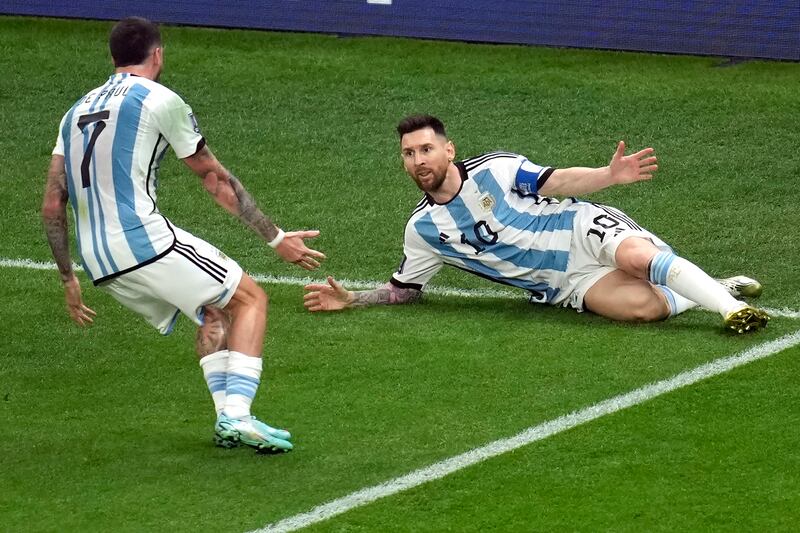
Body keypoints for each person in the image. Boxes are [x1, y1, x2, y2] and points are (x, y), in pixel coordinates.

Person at [42, 17, 324, 453]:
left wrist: (67, 277)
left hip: (97, 259)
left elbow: (52, 203)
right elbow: (216, 180)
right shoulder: (159, 99)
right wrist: (276, 238)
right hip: (143, 242)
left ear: (113, 57)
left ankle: (227, 421)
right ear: (157, 55)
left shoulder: (73, 112)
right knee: (250, 299)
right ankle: (238, 415)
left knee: (214, 311)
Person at [303, 114, 769, 333]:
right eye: (409, 154)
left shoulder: (494, 168)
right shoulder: (423, 230)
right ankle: (715, 286)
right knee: (644, 310)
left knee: (637, 258)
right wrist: (354, 298)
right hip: (565, 284)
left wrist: (608, 176)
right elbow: (404, 290)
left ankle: (731, 310)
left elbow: (557, 180)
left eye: (426, 149)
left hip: (578, 229)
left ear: (448, 150)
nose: (419, 159)